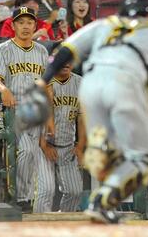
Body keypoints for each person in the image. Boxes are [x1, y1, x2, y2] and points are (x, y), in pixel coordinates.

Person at [32, 0, 148, 223]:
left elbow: (65, 50)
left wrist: (42, 80)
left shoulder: (104, 24)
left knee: (111, 152)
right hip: (125, 84)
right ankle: (102, 200)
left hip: (90, 85)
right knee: (145, 159)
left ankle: (103, 151)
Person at [0, 7, 49, 213]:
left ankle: (23, 199)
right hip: (11, 111)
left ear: (35, 25)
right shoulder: (3, 49)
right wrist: (3, 88)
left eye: (29, 22)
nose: (25, 26)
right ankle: (17, 195)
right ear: (13, 25)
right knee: (17, 154)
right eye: (21, 22)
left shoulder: (42, 51)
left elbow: (47, 84)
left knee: (26, 152)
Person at [33, 62, 85, 213]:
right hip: (43, 145)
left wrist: (80, 146)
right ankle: (38, 230)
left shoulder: (80, 83)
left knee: (75, 192)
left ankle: (64, 225)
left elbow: (82, 118)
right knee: (46, 191)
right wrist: (43, 144)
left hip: (68, 146)